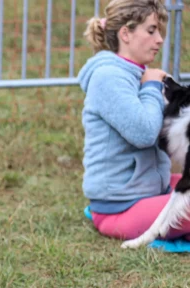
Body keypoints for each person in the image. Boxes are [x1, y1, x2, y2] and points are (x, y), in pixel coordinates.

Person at [78, 0, 190, 241]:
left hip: (151, 191)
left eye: (159, 31)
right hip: (121, 207)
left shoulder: (139, 73)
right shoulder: (108, 78)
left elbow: (167, 138)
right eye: (151, 30)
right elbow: (143, 134)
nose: (159, 39)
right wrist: (151, 86)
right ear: (125, 34)